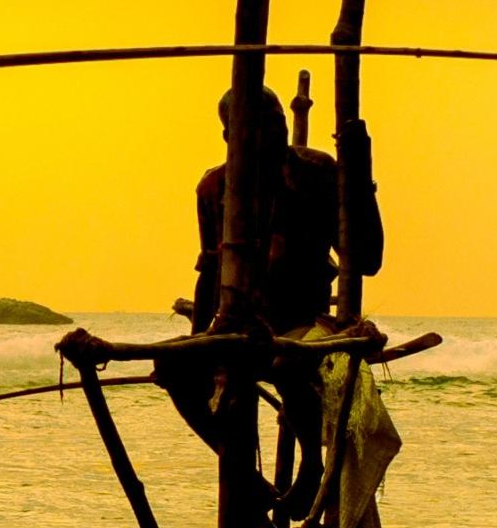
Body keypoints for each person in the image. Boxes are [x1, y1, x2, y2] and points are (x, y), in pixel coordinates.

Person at [163, 83, 387, 452]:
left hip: (305, 322)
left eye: (278, 124)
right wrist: (199, 340)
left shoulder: (315, 174)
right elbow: (209, 272)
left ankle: (313, 463)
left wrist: (361, 181)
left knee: (288, 364)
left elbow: (367, 260)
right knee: (173, 366)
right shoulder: (213, 188)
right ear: (229, 136)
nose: (274, 136)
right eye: (259, 129)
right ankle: (245, 478)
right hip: (239, 325)